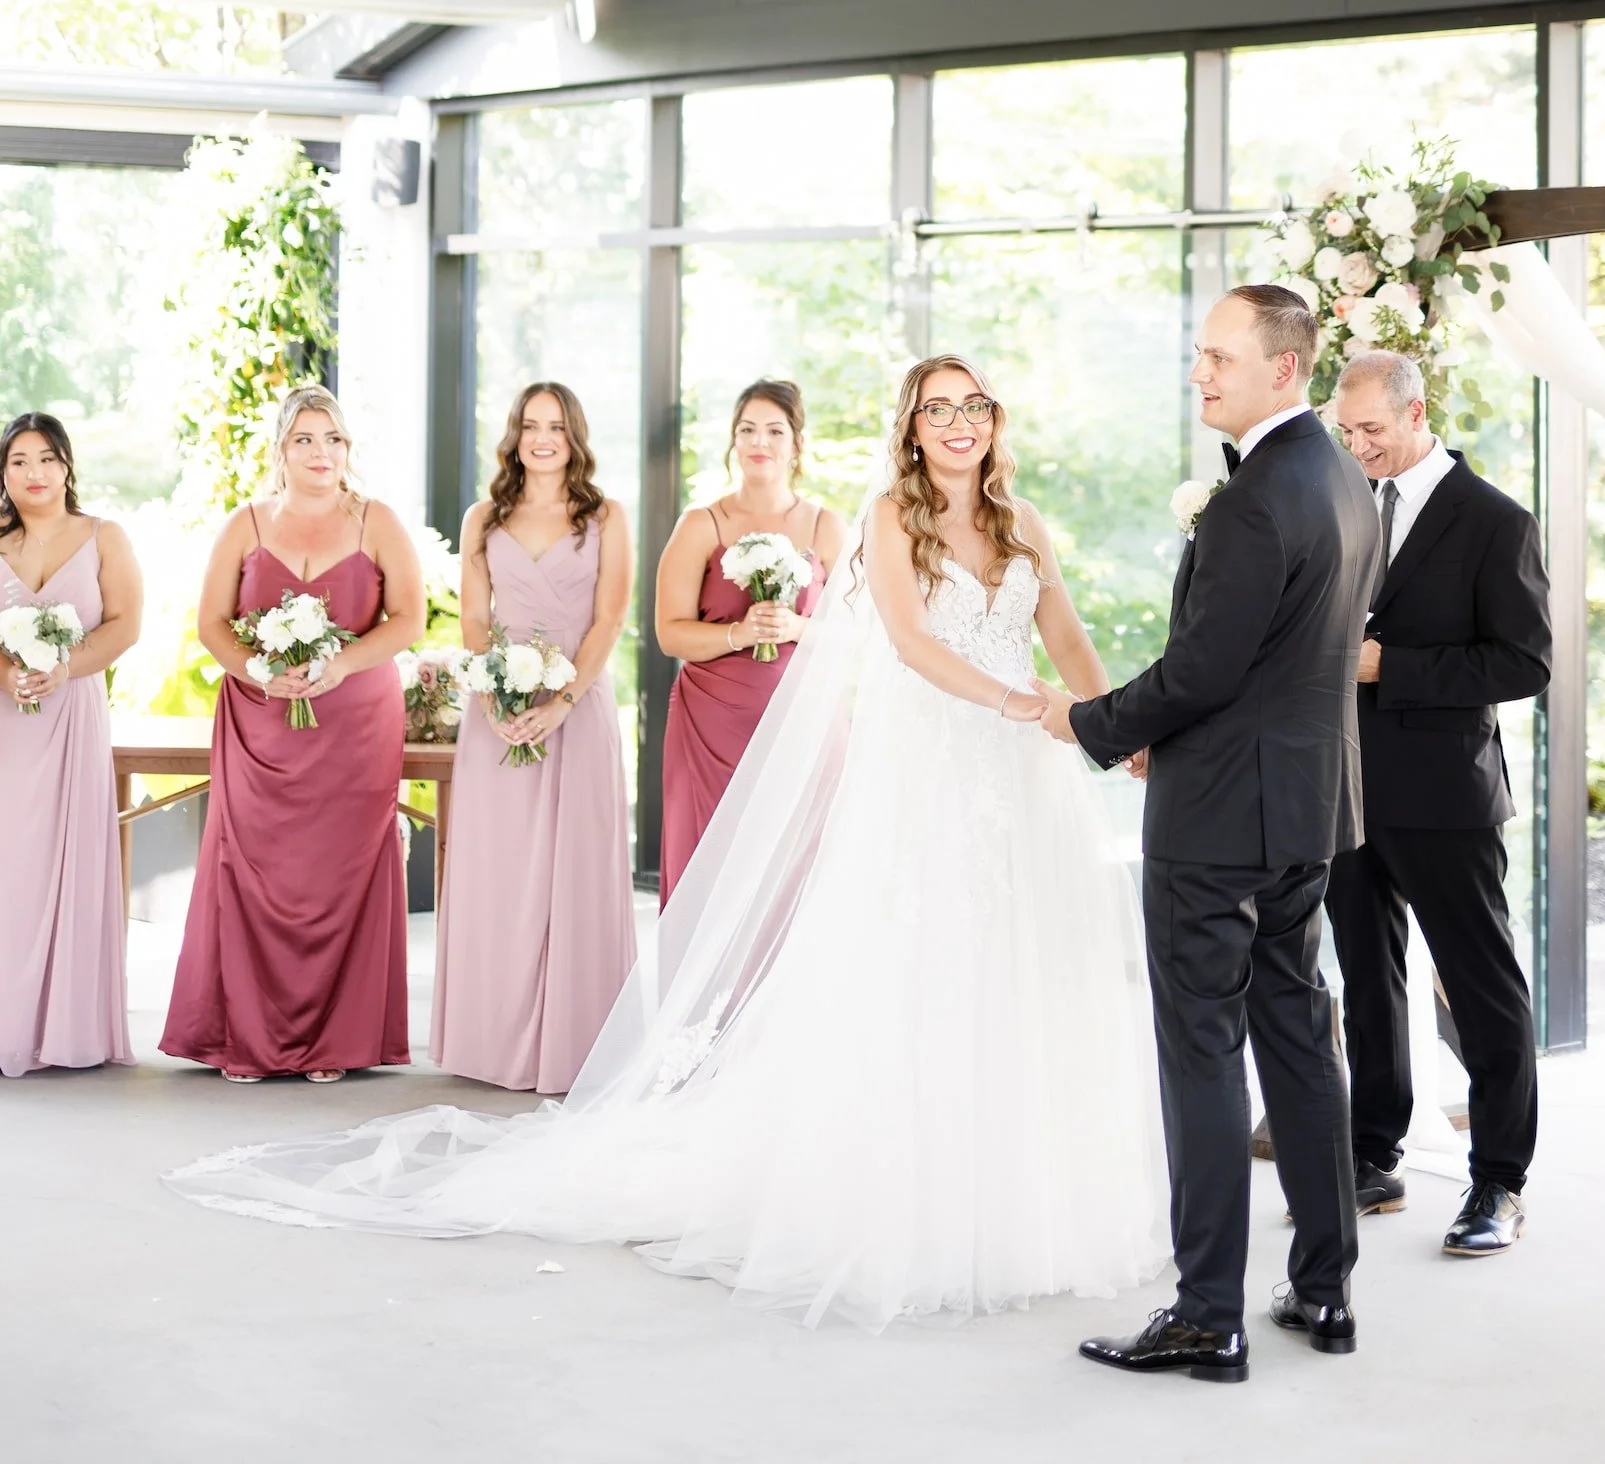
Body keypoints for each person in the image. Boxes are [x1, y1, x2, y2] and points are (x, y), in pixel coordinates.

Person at [165, 356, 1165, 1335]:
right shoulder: (887, 518)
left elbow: (1065, 633)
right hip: (940, 759)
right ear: (909, 426)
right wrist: (1022, 703)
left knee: (1013, 964)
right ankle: (910, 1192)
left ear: (994, 421)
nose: (958, 422)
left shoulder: (1021, 522)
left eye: (974, 405)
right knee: (914, 963)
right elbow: (905, 639)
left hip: (1019, 770)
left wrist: (1111, 726)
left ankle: (1009, 1187)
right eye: (935, 407)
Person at [1041, 284, 1378, 1384]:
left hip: (1217, 819)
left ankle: (1203, 1313)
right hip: (1305, 810)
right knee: (1297, 1033)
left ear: (1282, 370)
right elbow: (1278, 663)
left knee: (1200, 1052)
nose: (1199, 373)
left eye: (1219, 358)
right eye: (1198, 354)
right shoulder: (1342, 479)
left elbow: (1201, 669)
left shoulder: (1247, 503)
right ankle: (1322, 1291)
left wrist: (1091, 721)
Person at [1328, 349, 1550, 1257]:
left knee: (1484, 988)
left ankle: (1498, 1181)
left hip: (1445, 795)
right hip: (1342, 785)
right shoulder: (1340, 501)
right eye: (1345, 433)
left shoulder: (1495, 521)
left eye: (1371, 430)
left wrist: (1395, 668)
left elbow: (1523, 662)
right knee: (1365, 983)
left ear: (1417, 415)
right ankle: (1371, 1153)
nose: (1358, 447)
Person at [161, 386, 424, 1083]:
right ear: (280, 448)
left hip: (355, 725)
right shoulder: (244, 525)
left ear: (348, 449)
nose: (320, 453)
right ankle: (244, 1034)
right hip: (260, 726)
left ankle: (335, 1040)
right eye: (305, 439)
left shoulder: (378, 522)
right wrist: (254, 667)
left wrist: (340, 665)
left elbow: (407, 621)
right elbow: (211, 623)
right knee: (253, 871)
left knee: (339, 875)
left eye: (332, 439)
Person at [430, 381, 637, 1094]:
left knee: (575, 868)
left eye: (555, 426)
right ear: (514, 435)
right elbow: (475, 622)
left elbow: (610, 618)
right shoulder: (483, 517)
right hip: (499, 708)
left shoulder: (605, 515)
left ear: (575, 436)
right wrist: (492, 700)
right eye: (529, 425)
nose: (542, 437)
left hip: (577, 706)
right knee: (501, 870)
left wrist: (563, 703)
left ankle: (577, 1044)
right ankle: (492, 1042)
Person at [654, 379, 844, 902]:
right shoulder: (701, 524)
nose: (760, 442)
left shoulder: (827, 525)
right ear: (733, 442)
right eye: (747, 429)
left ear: (795, 443)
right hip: (709, 724)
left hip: (800, 724)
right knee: (709, 867)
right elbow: (669, 633)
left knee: (792, 872)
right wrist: (739, 632)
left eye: (774, 430)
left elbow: (858, 633)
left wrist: (796, 628)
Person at [0, 412, 142, 1078]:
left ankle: (68, 1028)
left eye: (47, 459)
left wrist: (65, 667)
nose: (35, 473)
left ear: (67, 467)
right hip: (7, 725)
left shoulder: (103, 536)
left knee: (72, 858)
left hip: (74, 714)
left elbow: (125, 623)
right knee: (12, 868)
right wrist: (9, 672)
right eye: (20, 461)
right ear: (4, 474)